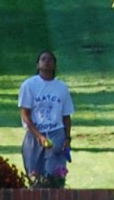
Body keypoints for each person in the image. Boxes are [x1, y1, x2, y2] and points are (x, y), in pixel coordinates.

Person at [19, 51, 74, 188]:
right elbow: (25, 114)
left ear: (55, 65)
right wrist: (39, 136)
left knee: (55, 176)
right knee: (34, 174)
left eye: (50, 60)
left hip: (57, 132)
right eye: (43, 59)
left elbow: (66, 116)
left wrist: (67, 138)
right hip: (34, 133)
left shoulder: (61, 87)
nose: (47, 61)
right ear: (38, 65)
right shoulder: (29, 85)